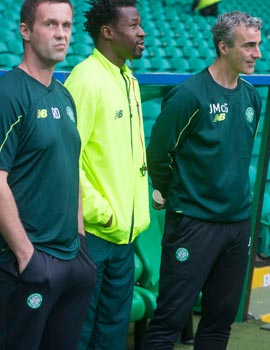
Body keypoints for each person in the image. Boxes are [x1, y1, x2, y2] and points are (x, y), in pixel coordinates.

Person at [142, 11, 262, 350]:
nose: (257, 54)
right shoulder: (188, 96)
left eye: (258, 45)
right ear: (223, 47)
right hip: (193, 224)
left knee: (219, 322)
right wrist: (171, 194)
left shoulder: (252, 97)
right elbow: (159, 154)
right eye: (249, 46)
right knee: (169, 320)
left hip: (237, 225)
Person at [0, 0, 97, 349]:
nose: (61, 34)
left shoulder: (65, 95)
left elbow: (71, 169)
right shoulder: (8, 93)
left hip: (72, 257)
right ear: (26, 31)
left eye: (67, 26)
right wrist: (26, 255)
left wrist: (81, 240)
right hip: (29, 262)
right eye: (50, 24)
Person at [63, 0, 150, 348]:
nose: (142, 32)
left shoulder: (129, 78)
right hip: (95, 235)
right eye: (133, 25)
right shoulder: (85, 80)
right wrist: (103, 212)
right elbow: (67, 160)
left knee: (113, 332)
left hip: (125, 237)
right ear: (108, 32)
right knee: (82, 332)